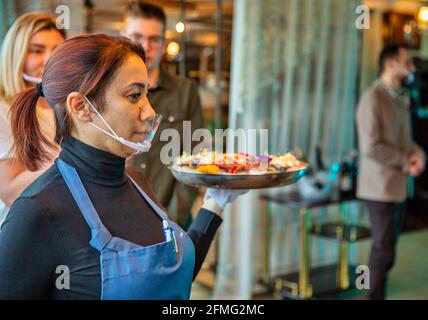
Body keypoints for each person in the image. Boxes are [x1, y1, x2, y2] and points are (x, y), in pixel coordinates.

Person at [0, 34, 245, 299]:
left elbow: (170, 277)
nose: (149, 111)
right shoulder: (37, 212)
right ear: (81, 106)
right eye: (133, 95)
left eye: (146, 95)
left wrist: (214, 204)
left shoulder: (137, 182)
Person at [122, 1, 204, 229]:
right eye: (136, 36)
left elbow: (194, 159)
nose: (145, 46)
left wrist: (170, 219)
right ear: (122, 37)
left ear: (164, 43)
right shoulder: (108, 93)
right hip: (117, 221)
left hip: (172, 220)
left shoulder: (185, 91)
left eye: (154, 39)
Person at [356, 44, 426, 300]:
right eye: (406, 62)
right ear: (390, 64)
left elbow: (406, 141)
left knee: (388, 250)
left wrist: (418, 156)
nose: (411, 67)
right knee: (382, 250)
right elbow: (370, 147)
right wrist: (406, 162)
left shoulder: (401, 97)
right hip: (379, 187)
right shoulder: (371, 99)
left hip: (398, 185)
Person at [0, 13, 65, 227]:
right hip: (21, 233)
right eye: (37, 50)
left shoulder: (64, 108)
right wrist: (81, 156)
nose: (49, 60)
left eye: (57, 51)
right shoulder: (4, 109)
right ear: (15, 54)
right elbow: (11, 191)